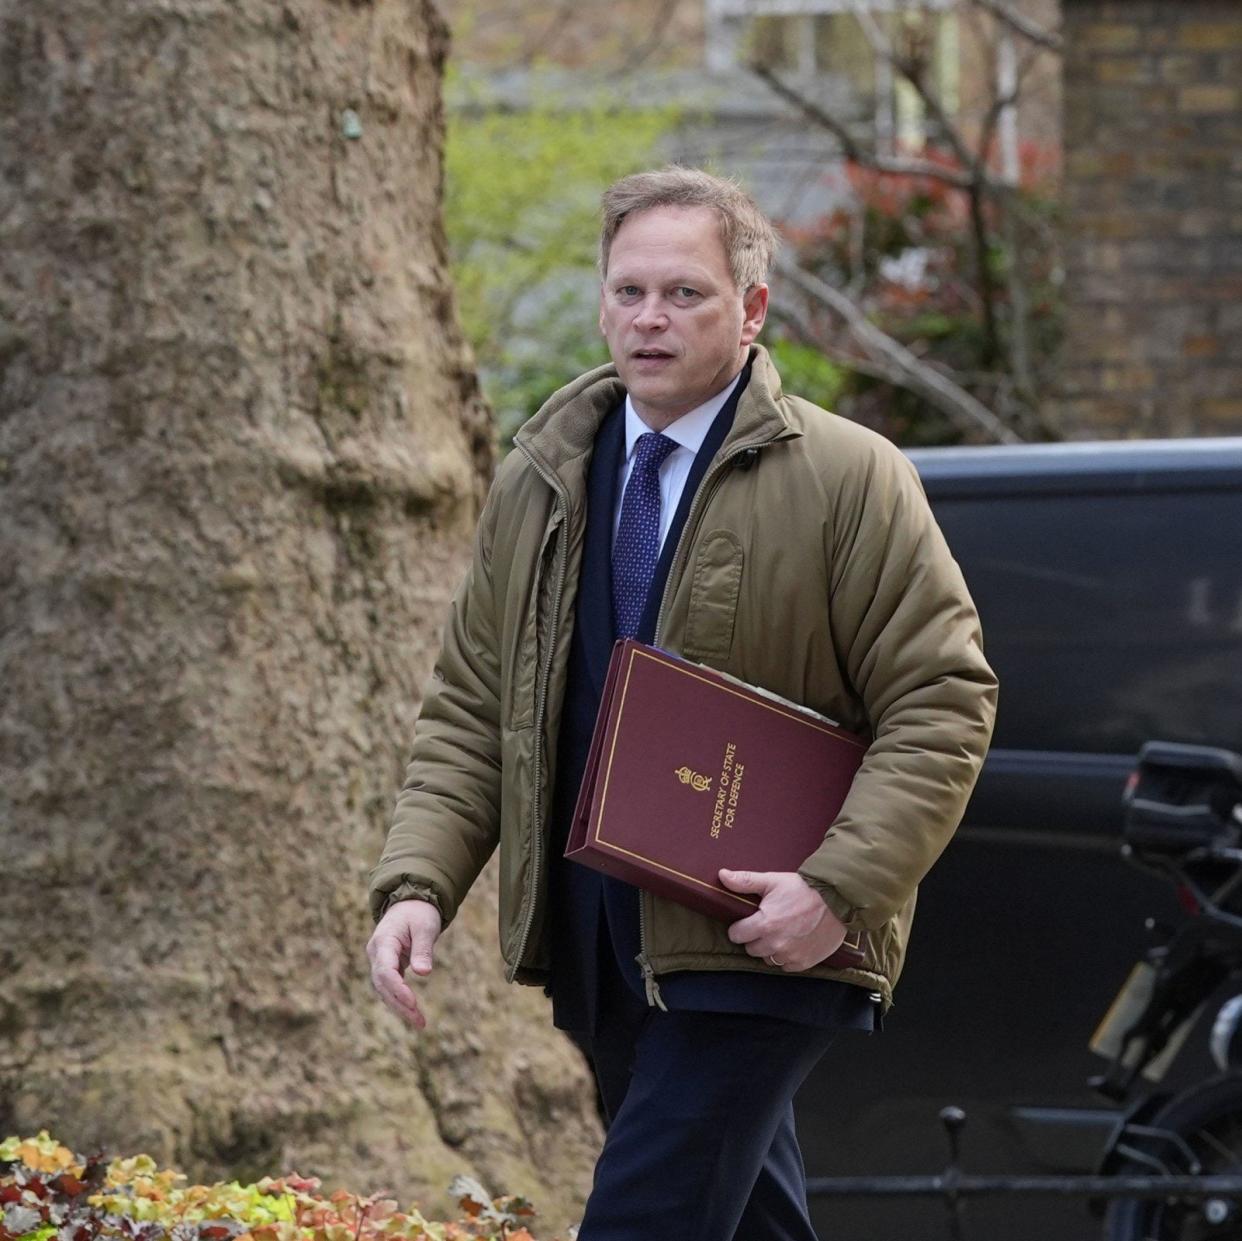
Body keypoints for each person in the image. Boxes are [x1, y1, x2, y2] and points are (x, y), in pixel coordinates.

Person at [367, 166, 997, 1240]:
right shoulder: (541, 478)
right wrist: (420, 879)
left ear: (752, 310)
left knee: (645, 1214)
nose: (649, 318)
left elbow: (941, 699)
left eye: (685, 294)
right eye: (628, 291)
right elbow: (475, 706)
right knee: (742, 1216)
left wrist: (836, 887)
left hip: (763, 937)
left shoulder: (852, 478)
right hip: (598, 940)